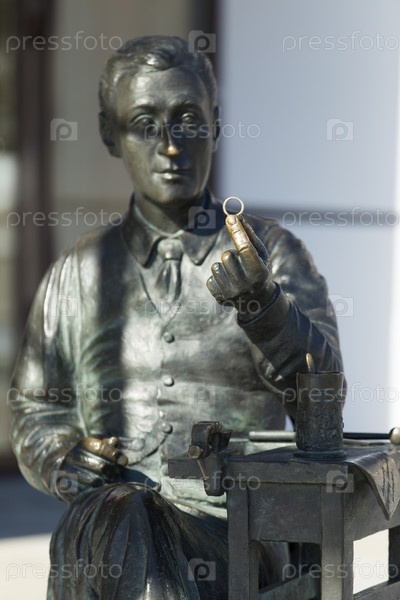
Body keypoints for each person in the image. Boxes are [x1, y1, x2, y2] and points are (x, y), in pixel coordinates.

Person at [9, 36, 343, 599]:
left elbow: (324, 396)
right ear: (110, 134)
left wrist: (264, 308)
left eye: (188, 120)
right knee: (123, 513)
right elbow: (36, 408)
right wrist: (62, 458)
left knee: (124, 526)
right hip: (105, 524)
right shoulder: (77, 273)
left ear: (216, 124)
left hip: (232, 533)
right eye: (145, 125)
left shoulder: (273, 256)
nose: (170, 146)